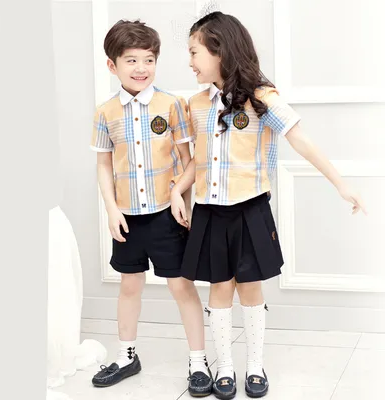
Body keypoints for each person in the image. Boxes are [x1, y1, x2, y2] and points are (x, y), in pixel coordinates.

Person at [170, 11, 367, 399]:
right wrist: (179, 190)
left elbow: (300, 139)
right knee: (219, 288)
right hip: (210, 210)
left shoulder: (261, 98)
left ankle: (255, 365)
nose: (189, 61)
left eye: (194, 52)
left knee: (250, 288)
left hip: (250, 209)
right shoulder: (195, 104)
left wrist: (341, 183)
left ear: (219, 50)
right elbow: (200, 158)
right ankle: (224, 367)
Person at [90, 19, 213, 397]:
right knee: (129, 286)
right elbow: (104, 165)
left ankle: (198, 361)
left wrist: (182, 202)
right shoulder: (105, 112)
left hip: (166, 215)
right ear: (112, 65)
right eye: (131, 60)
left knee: (181, 286)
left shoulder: (172, 105)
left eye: (148, 60)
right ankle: (127, 357)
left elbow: (189, 161)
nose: (141, 68)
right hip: (127, 216)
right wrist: (112, 210)